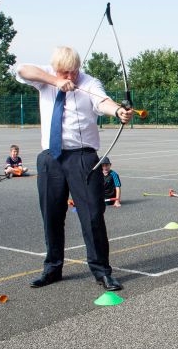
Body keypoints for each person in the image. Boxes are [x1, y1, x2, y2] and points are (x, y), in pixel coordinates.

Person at [16, 46, 133, 291]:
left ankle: (102, 272)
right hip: (51, 157)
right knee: (52, 215)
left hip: (82, 158)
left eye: (73, 72)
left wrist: (118, 111)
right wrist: (55, 81)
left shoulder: (89, 83)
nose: (70, 77)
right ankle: (52, 268)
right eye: (64, 72)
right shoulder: (46, 76)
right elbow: (22, 70)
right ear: (56, 68)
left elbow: (103, 102)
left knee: (92, 216)